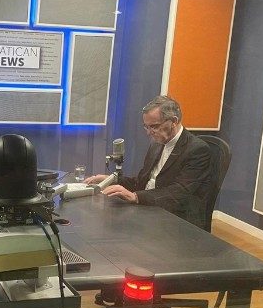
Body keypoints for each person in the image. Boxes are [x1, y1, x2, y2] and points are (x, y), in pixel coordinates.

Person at [84, 95, 211, 229]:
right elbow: (141, 182)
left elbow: (178, 194)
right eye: (146, 127)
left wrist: (135, 197)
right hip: (150, 208)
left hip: (176, 219)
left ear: (174, 121)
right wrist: (113, 180)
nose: (149, 133)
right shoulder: (157, 144)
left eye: (154, 127)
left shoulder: (198, 149)